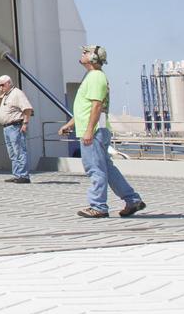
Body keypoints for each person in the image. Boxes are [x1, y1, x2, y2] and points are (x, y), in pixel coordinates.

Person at [58, 45, 146, 219]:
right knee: (108, 169)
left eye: (86, 52)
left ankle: (98, 206)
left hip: (94, 131)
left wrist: (89, 130)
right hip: (96, 129)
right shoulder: (91, 76)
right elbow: (86, 108)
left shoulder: (96, 77)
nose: (82, 53)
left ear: (93, 58)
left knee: (95, 168)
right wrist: (70, 124)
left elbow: (97, 106)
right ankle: (132, 200)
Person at [0, 74, 34, 183]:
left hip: (15, 126)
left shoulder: (17, 93)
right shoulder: (5, 94)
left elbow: (27, 109)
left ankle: (24, 175)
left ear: (9, 83)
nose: (0, 87)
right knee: (12, 153)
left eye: (2, 85)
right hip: (6, 127)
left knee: (19, 151)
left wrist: (25, 123)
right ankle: (17, 174)